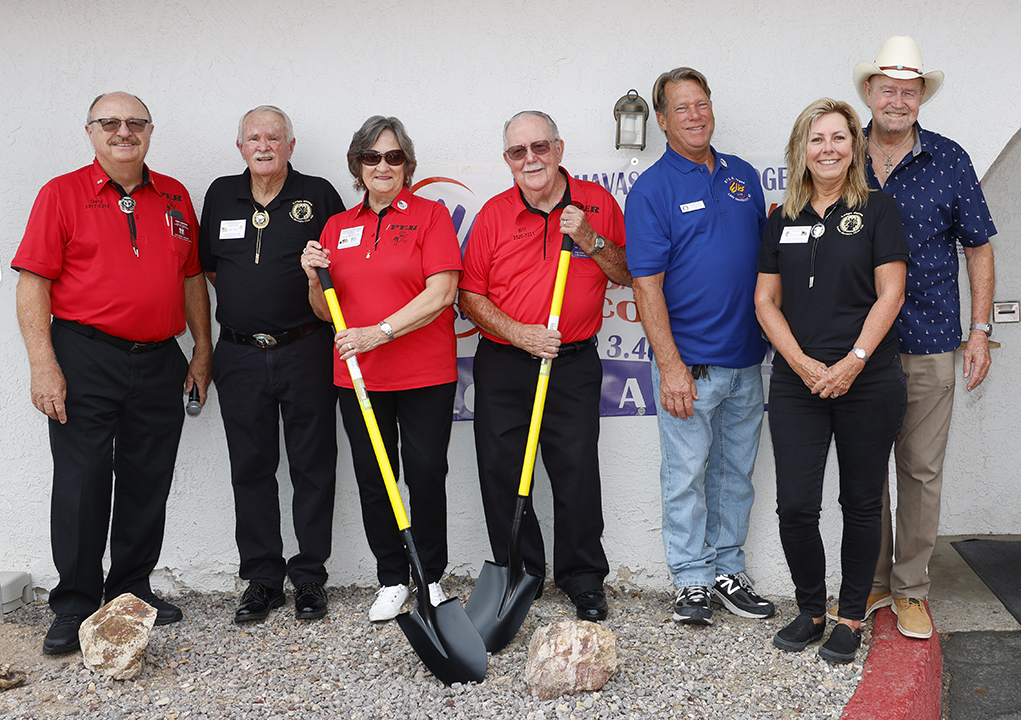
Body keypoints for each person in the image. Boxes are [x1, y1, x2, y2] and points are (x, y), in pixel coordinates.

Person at [12, 91, 212, 654]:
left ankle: (130, 592)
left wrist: (202, 351)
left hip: (158, 357)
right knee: (82, 482)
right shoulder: (61, 194)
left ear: (150, 131)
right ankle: (75, 603)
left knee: (148, 479)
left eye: (136, 124)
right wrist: (43, 365)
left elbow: (192, 277)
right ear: (91, 131)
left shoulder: (174, 195)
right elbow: (33, 284)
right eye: (111, 123)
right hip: (83, 356)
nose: (124, 132)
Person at [825, 36, 997, 641]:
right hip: (854, 346)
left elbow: (978, 246)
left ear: (921, 98)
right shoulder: (838, 155)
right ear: (868, 93)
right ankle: (871, 584)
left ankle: (912, 590)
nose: (897, 100)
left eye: (909, 90)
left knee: (921, 473)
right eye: (887, 89)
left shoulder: (950, 159)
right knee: (865, 472)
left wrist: (979, 330)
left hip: (927, 339)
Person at [458, 110, 631, 622]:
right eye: (518, 152)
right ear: (508, 160)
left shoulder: (597, 204)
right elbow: (469, 295)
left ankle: (582, 578)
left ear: (559, 148)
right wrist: (519, 333)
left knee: (577, 470)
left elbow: (628, 272)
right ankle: (520, 573)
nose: (530, 159)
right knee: (503, 472)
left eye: (539, 147)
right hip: (507, 362)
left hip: (572, 363)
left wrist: (592, 242)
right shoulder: (493, 214)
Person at [755, 98, 909, 664]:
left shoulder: (877, 209)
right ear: (801, 149)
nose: (829, 149)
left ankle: (849, 616)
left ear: (855, 147)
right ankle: (811, 609)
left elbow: (890, 293)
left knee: (862, 503)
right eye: (817, 139)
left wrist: (854, 359)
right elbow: (765, 301)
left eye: (839, 138)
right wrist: (801, 364)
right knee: (795, 506)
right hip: (800, 380)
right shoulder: (781, 219)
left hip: (867, 379)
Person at [625, 68, 775, 627]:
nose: (695, 115)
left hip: (745, 363)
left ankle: (726, 570)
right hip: (691, 369)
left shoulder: (742, 177)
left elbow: (763, 265)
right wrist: (670, 368)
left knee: (735, 475)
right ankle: (690, 580)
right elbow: (645, 285)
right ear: (661, 120)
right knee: (685, 476)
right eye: (681, 108)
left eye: (702, 103)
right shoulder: (652, 191)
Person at [302, 116, 461, 622]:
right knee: (376, 478)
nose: (383, 166)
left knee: (426, 474)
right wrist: (312, 279)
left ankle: (429, 577)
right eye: (372, 157)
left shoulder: (431, 216)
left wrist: (379, 332)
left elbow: (441, 294)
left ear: (407, 164)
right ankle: (392, 577)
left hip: (424, 373)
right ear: (358, 166)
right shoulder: (337, 227)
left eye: (393, 157)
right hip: (359, 377)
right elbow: (327, 312)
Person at [198, 106, 345, 623]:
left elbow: (340, 271)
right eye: (254, 138)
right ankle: (262, 578)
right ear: (240, 146)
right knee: (251, 468)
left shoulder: (320, 194)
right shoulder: (220, 194)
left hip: (305, 349)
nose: (264, 146)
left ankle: (309, 579)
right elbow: (210, 270)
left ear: (291, 145)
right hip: (239, 355)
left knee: (312, 466)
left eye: (274, 137)